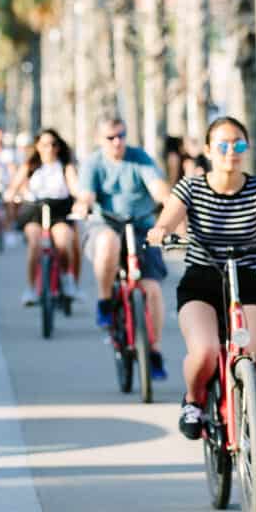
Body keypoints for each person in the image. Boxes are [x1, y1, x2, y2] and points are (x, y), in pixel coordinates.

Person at [147, 116, 256, 473]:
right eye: (222, 145)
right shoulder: (191, 187)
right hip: (201, 281)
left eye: (238, 145)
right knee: (204, 351)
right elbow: (169, 219)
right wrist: (161, 231)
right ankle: (193, 399)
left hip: (245, 280)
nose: (230, 152)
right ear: (208, 150)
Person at [75, 117, 172, 380]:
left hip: (141, 226)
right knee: (108, 242)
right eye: (110, 137)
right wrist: (84, 205)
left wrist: (167, 201)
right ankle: (105, 302)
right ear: (100, 139)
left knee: (151, 289)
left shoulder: (139, 158)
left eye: (121, 135)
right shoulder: (93, 163)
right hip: (105, 224)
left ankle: (154, 350)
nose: (117, 142)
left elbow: (158, 187)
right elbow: (86, 195)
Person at [5, 129, 81, 305]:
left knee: (64, 242)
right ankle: (31, 288)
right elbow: (14, 186)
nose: (49, 149)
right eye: (45, 144)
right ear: (38, 146)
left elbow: (75, 187)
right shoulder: (29, 166)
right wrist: (10, 194)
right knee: (35, 244)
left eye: (54, 144)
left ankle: (66, 277)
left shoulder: (65, 166)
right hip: (34, 211)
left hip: (59, 212)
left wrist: (81, 199)